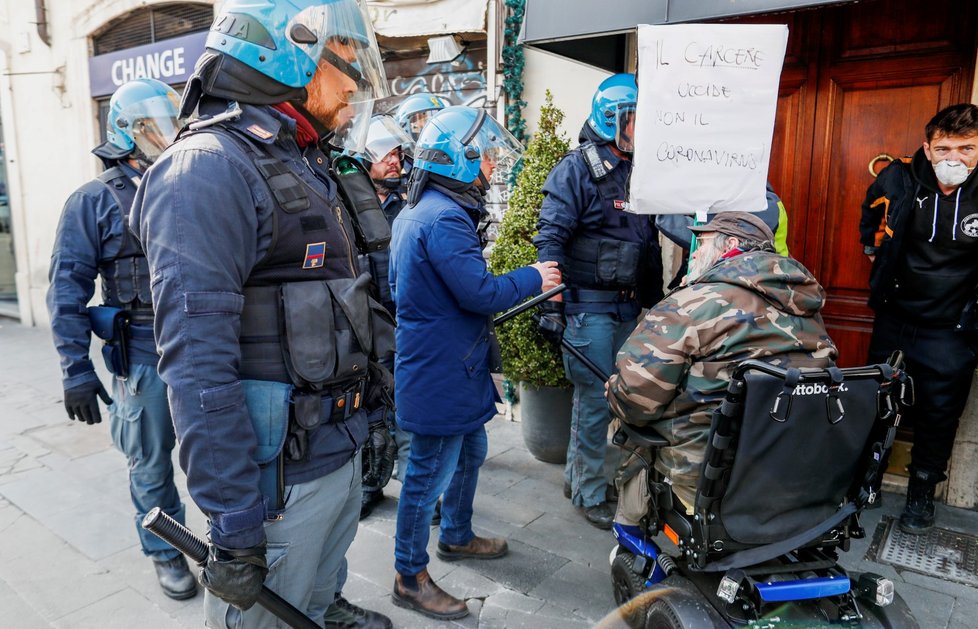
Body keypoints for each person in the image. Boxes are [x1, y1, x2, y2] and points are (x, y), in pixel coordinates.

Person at [131, 1, 394, 628]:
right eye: (347, 61)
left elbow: (350, 306)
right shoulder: (208, 170)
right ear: (287, 58)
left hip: (335, 450)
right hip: (279, 483)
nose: (357, 83)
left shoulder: (302, 159)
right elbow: (197, 369)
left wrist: (373, 421)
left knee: (316, 596)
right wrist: (235, 521)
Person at [389, 105, 561, 620]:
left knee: (470, 450)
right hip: (441, 371)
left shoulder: (422, 210)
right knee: (425, 478)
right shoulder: (443, 217)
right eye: (484, 155)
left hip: (446, 365)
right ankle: (408, 576)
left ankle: (457, 536)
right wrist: (536, 276)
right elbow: (480, 293)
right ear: (460, 160)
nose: (490, 164)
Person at [46, 78, 195, 600]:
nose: (167, 135)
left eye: (169, 123)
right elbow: (66, 289)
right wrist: (76, 371)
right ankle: (165, 550)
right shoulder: (93, 201)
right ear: (125, 135)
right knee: (150, 463)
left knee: (219, 454)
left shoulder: (188, 183)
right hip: (144, 358)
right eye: (153, 126)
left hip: (202, 349)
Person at [606, 212, 838, 516]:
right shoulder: (807, 307)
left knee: (625, 423)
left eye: (701, 244)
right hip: (789, 467)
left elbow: (637, 399)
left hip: (706, 474)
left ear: (729, 244)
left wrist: (613, 393)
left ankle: (630, 533)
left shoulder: (692, 303)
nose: (695, 253)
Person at [533, 73, 663, 529]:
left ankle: (578, 477)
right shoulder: (576, 170)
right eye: (632, 120)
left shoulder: (638, 169)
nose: (638, 129)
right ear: (610, 119)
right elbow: (549, 239)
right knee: (595, 402)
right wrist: (551, 306)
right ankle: (590, 492)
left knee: (610, 399)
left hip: (627, 307)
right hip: (588, 309)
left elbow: (647, 238)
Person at [859, 103, 978, 534]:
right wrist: (873, 250)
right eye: (944, 147)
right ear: (928, 148)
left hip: (953, 329)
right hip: (895, 317)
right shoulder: (899, 175)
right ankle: (866, 479)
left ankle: (922, 493)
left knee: (939, 415)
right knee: (875, 400)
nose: (954, 158)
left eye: (966, 148)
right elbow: (871, 210)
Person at [354, 114, 410, 519]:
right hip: (361, 323)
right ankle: (369, 483)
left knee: (405, 403)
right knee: (368, 407)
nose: (395, 162)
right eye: (385, 154)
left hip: (400, 320)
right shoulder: (347, 201)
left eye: (398, 154)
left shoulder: (409, 201)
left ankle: (413, 484)